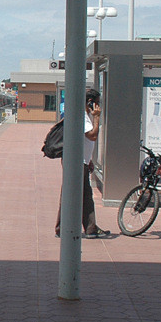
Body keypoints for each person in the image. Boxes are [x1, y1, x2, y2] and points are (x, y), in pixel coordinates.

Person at [55, 87, 110, 239]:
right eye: (97, 103)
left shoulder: (82, 115)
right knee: (76, 195)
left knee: (83, 196)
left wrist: (89, 160)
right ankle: (66, 228)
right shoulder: (82, 116)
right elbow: (92, 136)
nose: (98, 106)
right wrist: (97, 117)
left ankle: (88, 228)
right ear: (90, 102)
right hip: (77, 164)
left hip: (81, 162)